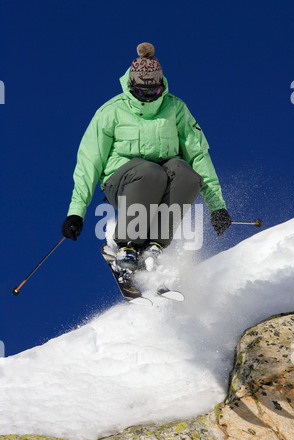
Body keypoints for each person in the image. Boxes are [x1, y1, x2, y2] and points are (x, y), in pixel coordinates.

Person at [61, 43, 232, 271]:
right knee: (151, 172)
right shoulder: (110, 112)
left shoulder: (176, 109)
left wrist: (216, 206)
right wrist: (76, 212)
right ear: (131, 87)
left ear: (162, 86)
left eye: (154, 93)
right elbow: (88, 162)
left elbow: (198, 155)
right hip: (124, 184)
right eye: (142, 93)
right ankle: (126, 245)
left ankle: (154, 246)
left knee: (187, 175)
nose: (149, 99)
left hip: (162, 183)